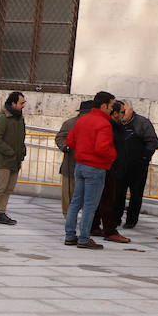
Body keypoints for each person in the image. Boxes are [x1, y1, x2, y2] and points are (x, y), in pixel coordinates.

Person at [63, 91, 116, 249]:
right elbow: (102, 148)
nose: (112, 109)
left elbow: (70, 141)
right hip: (96, 167)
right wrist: (113, 155)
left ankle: (70, 235)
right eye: (111, 106)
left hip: (80, 166)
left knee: (75, 203)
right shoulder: (104, 124)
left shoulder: (82, 120)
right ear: (103, 105)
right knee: (90, 205)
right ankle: (84, 238)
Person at [111, 100, 158, 229]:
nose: (122, 114)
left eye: (124, 111)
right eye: (120, 112)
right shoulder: (116, 123)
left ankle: (131, 220)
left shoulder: (143, 123)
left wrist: (144, 158)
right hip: (120, 165)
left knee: (136, 194)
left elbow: (153, 142)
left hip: (138, 166)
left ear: (131, 110)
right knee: (118, 193)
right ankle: (115, 219)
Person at [90, 101, 131, 244]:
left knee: (101, 199)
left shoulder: (117, 127)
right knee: (108, 200)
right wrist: (113, 159)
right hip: (108, 167)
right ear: (114, 113)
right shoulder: (109, 126)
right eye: (122, 112)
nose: (123, 115)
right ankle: (110, 230)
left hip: (111, 167)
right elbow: (105, 147)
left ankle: (94, 225)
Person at [0, 91, 26, 225]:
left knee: (9, 188)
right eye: (21, 103)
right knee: (1, 187)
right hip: (4, 159)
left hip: (16, 160)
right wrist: (10, 152)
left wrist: (22, 151)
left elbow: (21, 137)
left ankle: (1, 213)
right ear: (13, 103)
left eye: (23, 103)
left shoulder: (20, 118)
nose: (23, 106)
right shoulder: (3, 117)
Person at [55, 100, 94, 215]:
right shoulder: (70, 123)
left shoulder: (93, 124)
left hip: (87, 165)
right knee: (68, 193)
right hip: (71, 163)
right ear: (83, 113)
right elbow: (60, 138)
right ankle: (68, 215)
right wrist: (64, 146)